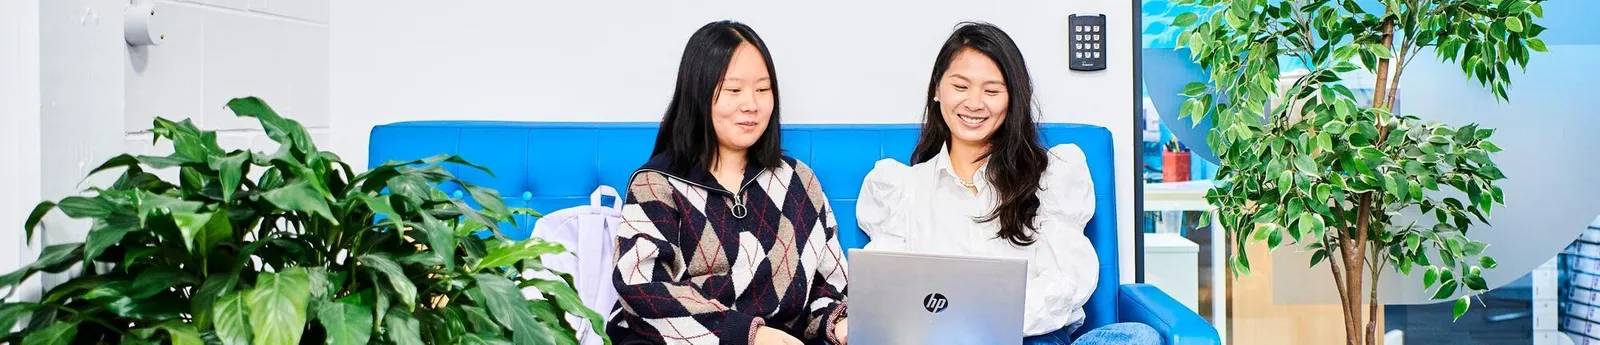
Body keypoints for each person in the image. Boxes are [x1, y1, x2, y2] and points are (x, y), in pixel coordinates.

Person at [856, 22, 1159, 345]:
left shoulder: (1051, 176)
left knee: (1136, 337)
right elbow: (888, 296)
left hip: (1031, 338)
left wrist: (986, 321)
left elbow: (1069, 281)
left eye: (992, 91)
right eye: (961, 87)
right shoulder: (901, 188)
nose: (974, 103)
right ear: (936, 89)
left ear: (1013, 98)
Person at [610, 20, 849, 345]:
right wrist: (748, 335)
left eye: (763, 90)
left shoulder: (799, 182)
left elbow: (828, 287)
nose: (751, 104)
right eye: (733, 90)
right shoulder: (656, 184)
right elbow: (641, 288)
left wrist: (837, 324)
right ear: (697, 95)